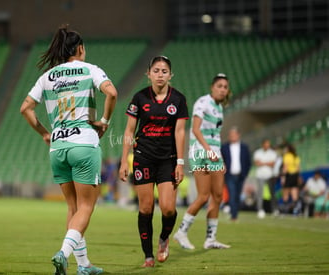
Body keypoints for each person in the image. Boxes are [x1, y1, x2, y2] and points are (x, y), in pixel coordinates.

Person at [20, 24, 117, 275]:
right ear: (81, 49)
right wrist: (104, 122)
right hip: (83, 143)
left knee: (73, 209)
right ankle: (63, 254)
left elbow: (25, 108)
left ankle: (83, 266)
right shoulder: (90, 70)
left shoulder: (48, 76)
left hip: (58, 148)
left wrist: (44, 133)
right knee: (86, 208)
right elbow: (112, 93)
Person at [119, 56, 189, 268]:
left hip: (168, 160)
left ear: (171, 74)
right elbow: (129, 131)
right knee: (146, 208)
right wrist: (124, 161)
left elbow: (179, 132)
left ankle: (164, 237)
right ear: (148, 74)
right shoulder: (139, 98)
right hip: (143, 158)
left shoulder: (178, 99)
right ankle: (148, 255)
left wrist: (180, 162)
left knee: (168, 209)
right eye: (156, 71)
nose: (160, 75)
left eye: (164, 71)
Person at [173, 73, 231, 250]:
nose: (222, 89)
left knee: (218, 196)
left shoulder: (219, 108)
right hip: (201, 152)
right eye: (219, 86)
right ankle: (181, 232)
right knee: (204, 195)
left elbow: (216, 135)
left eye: (225, 87)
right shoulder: (203, 102)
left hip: (215, 154)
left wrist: (219, 156)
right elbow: (196, 130)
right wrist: (208, 151)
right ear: (212, 87)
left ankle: (210, 239)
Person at [220, 127, 251, 221]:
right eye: (230, 135)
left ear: (238, 135)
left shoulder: (244, 147)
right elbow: (221, 160)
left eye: (234, 135)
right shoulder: (224, 147)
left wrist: (245, 173)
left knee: (237, 195)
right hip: (229, 175)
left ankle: (234, 213)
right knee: (232, 195)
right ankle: (234, 216)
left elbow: (248, 162)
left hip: (241, 175)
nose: (232, 137)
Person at [253, 139, 277, 218]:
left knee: (272, 193)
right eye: (266, 144)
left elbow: (273, 164)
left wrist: (262, 163)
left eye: (268, 144)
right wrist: (267, 163)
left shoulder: (273, 153)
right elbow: (257, 163)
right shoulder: (257, 152)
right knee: (260, 194)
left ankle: (274, 209)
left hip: (270, 175)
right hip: (260, 175)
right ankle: (260, 209)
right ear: (263, 144)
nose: (267, 145)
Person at [281, 143, 301, 215]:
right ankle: (295, 211)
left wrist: (283, 177)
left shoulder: (287, 156)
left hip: (289, 175)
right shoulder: (296, 156)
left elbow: (285, 167)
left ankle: (284, 211)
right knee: (294, 194)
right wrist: (298, 177)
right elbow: (298, 168)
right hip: (295, 175)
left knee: (285, 193)